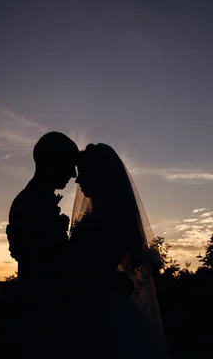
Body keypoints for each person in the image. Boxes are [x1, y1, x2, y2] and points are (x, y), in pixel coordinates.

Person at [69, 143, 172, 359]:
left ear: (98, 176)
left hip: (100, 314)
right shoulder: (110, 218)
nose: (77, 181)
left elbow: (91, 270)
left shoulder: (103, 222)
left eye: (83, 174)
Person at [6, 131, 79, 356]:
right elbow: (47, 267)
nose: (73, 173)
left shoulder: (37, 200)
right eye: (69, 164)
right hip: (43, 320)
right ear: (52, 162)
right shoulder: (30, 204)